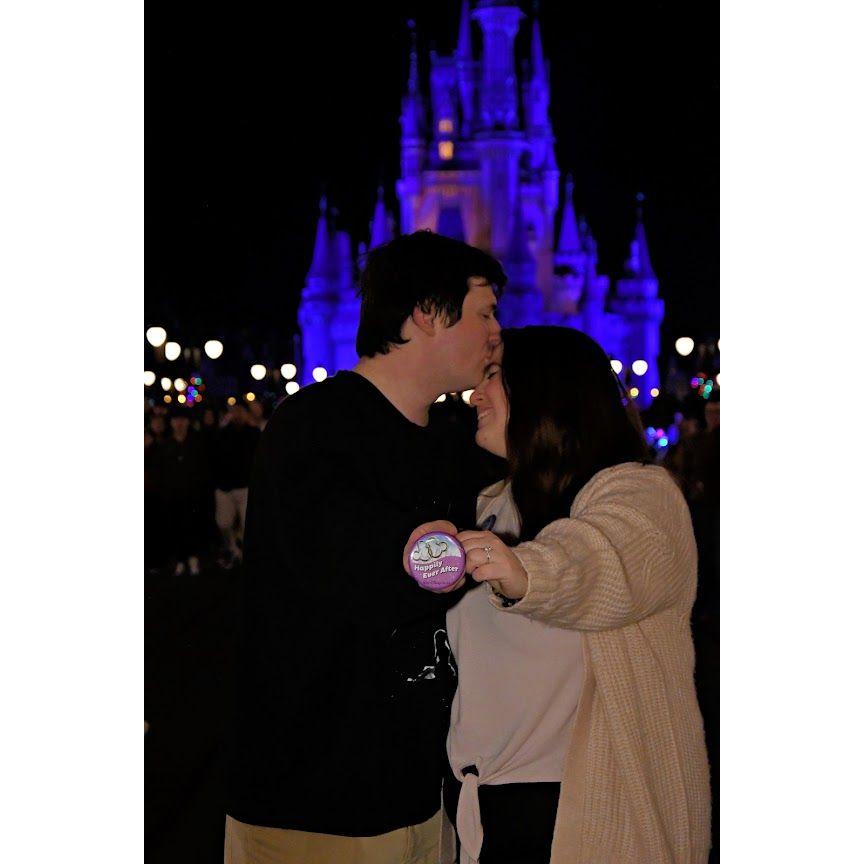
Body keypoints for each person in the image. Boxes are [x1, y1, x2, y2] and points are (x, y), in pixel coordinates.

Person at [225, 230, 508, 864]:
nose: (497, 333)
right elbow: (377, 576)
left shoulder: (447, 440)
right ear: (427, 315)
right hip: (316, 804)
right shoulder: (315, 428)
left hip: (420, 794)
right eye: (484, 313)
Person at [405, 326, 711, 864]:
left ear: (546, 389)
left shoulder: (639, 495)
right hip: (482, 810)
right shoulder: (487, 507)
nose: (476, 394)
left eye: (494, 377)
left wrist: (523, 571)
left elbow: (599, 562)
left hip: (587, 809)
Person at [213, 402, 260, 568]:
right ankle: (232, 548)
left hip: (245, 486)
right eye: (235, 411)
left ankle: (241, 552)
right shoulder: (223, 433)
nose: (238, 414)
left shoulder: (254, 433)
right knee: (224, 523)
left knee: (247, 524)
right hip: (225, 486)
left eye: (241, 411)